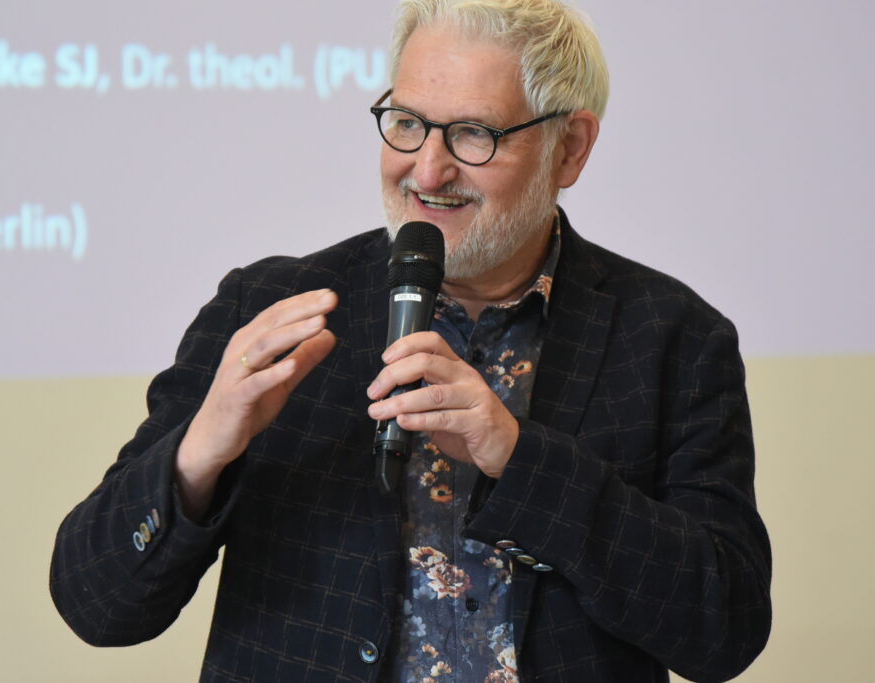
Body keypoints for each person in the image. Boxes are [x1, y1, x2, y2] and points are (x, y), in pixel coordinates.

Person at [50, 1, 772, 681]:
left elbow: (725, 629)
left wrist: (518, 457)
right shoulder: (273, 308)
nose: (427, 170)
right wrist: (200, 452)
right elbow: (97, 604)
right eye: (406, 122)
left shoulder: (673, 337)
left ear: (570, 148)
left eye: (474, 133)